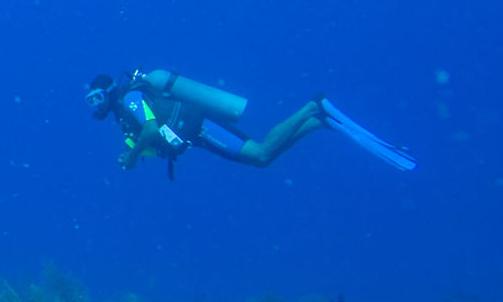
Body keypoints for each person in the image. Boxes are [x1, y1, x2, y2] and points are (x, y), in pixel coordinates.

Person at [85, 69, 416, 179]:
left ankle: (312, 108)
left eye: (98, 98)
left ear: (110, 91)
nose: (96, 107)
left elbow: (152, 129)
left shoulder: (128, 99)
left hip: (200, 128)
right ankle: (318, 121)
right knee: (263, 158)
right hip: (196, 131)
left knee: (260, 154)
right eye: (91, 102)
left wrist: (131, 156)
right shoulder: (125, 108)